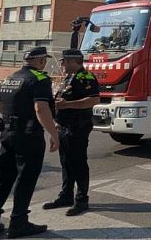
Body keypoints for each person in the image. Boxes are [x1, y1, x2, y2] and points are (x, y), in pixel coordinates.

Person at [0, 46, 59, 239]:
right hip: (28, 135)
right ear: (41, 60)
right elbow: (41, 108)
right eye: (45, 60)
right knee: (25, 179)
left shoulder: (10, 78)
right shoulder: (40, 78)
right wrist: (54, 134)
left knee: (3, 178)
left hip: (7, 133)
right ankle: (18, 222)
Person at [43, 49, 100, 216]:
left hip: (78, 126)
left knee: (78, 162)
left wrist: (67, 105)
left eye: (65, 61)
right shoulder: (69, 78)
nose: (62, 64)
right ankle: (66, 195)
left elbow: (94, 100)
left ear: (74, 61)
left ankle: (82, 200)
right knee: (66, 162)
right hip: (64, 126)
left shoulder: (86, 77)